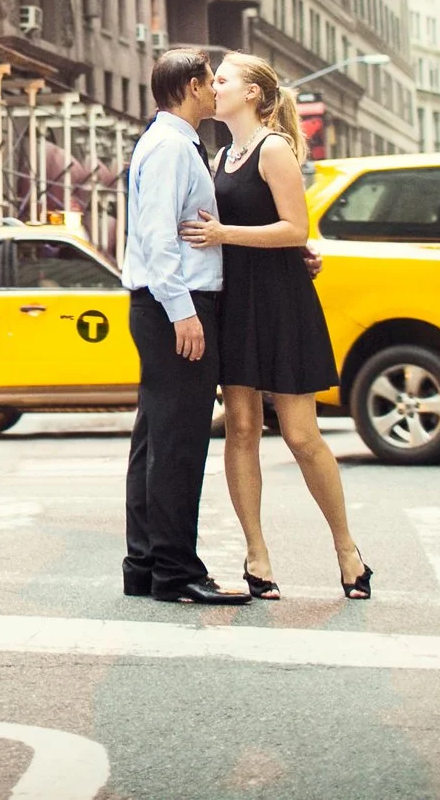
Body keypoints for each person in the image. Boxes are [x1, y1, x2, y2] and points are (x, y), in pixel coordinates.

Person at [185, 52, 374, 600]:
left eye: (222, 81)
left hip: (281, 301)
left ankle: (346, 550)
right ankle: (256, 554)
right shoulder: (220, 157)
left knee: (299, 434)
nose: (212, 88)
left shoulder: (274, 149)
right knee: (241, 430)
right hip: (235, 302)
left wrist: (225, 235)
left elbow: (295, 229)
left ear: (251, 94)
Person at [120, 48, 252, 606]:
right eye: (210, 81)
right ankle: (176, 572)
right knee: (178, 444)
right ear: (193, 86)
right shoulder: (173, 147)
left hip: (163, 304)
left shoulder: (169, 143)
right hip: (174, 304)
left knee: (155, 438)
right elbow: (157, 236)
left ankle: (147, 565)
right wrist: (184, 313)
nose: (215, 89)